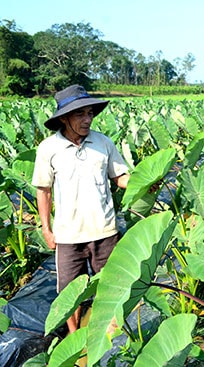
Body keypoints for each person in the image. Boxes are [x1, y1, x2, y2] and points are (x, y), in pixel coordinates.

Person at [32, 85, 130, 333]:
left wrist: (147, 183)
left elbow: (120, 177)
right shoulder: (48, 149)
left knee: (111, 287)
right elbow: (43, 190)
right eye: (80, 114)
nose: (87, 119)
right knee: (70, 292)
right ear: (64, 118)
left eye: (90, 113)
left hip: (105, 231)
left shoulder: (103, 143)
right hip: (68, 234)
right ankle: (75, 339)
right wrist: (46, 229)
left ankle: (110, 335)